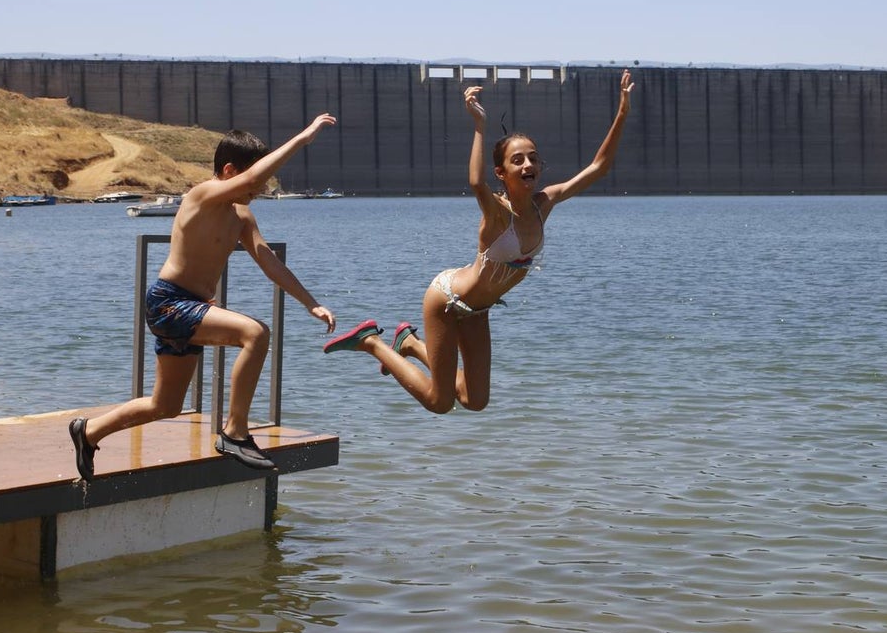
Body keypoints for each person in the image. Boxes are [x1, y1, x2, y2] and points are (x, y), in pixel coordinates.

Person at [323, 70, 633, 413]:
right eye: (518, 160)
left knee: (475, 400)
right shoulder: (497, 213)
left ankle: (408, 343)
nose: (528, 164)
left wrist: (621, 111)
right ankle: (372, 343)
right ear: (501, 172)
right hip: (446, 300)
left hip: (476, 310)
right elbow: (475, 182)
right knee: (439, 402)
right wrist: (479, 126)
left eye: (533, 158)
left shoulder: (545, 203)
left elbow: (599, 167)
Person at [69, 119, 338, 480]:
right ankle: (235, 432)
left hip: (190, 308)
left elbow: (267, 259)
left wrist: (310, 302)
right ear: (229, 171)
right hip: (169, 302)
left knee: (164, 406)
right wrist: (302, 139)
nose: (256, 192)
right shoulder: (202, 195)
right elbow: (253, 180)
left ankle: (88, 432)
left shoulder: (241, 215)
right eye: (251, 182)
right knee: (255, 334)